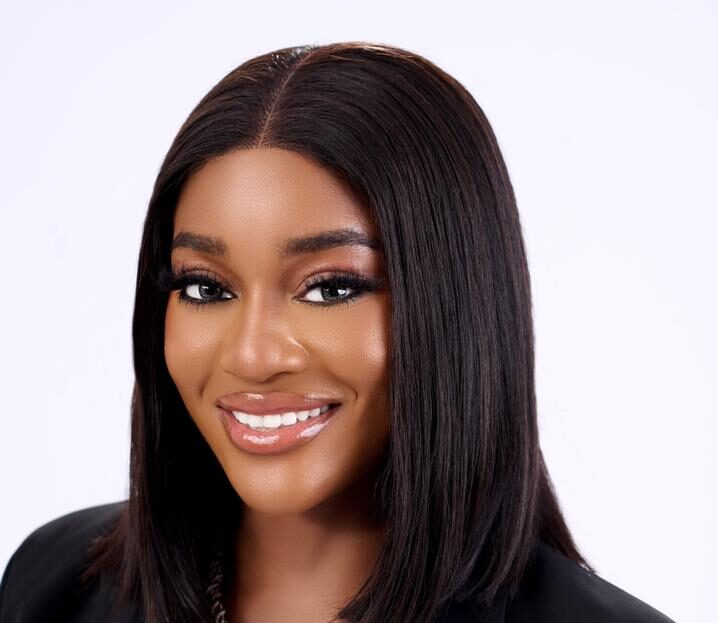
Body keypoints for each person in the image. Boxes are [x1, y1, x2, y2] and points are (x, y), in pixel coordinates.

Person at [0, 42, 675, 623]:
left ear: (454, 305)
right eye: (206, 287)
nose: (252, 355)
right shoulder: (56, 583)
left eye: (330, 288)